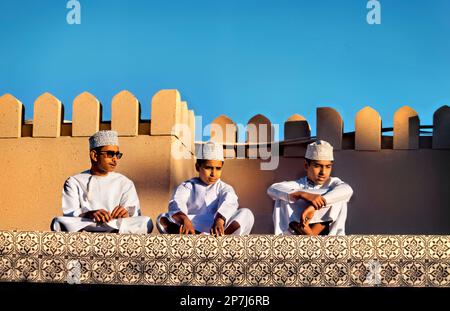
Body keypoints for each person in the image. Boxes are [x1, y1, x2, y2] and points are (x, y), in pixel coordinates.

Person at [51, 130, 153, 234]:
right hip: (89, 223)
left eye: (117, 155)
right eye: (110, 154)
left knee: (146, 222)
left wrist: (125, 213)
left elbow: (134, 215)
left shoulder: (125, 183)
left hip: (115, 224)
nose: (115, 159)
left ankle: (111, 230)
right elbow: (69, 213)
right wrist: (89, 214)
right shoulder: (74, 181)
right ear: (94, 155)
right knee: (59, 222)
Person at [156, 141, 254, 236]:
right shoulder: (187, 186)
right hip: (192, 224)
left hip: (218, 227)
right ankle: (196, 235)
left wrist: (219, 220)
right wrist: (185, 220)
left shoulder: (225, 188)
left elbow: (230, 203)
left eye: (218, 168)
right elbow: (176, 203)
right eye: (208, 167)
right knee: (162, 218)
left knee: (247, 214)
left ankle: (220, 237)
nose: (213, 173)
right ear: (197, 167)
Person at [267, 140, 353, 236]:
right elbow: (272, 189)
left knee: (339, 195)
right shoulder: (298, 184)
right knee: (283, 197)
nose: (323, 172)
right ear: (306, 166)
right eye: (317, 166)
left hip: (328, 237)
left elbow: (348, 189)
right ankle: (300, 235)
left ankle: (310, 236)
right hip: (295, 233)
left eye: (328, 167)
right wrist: (303, 195)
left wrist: (314, 206)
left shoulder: (333, 183)